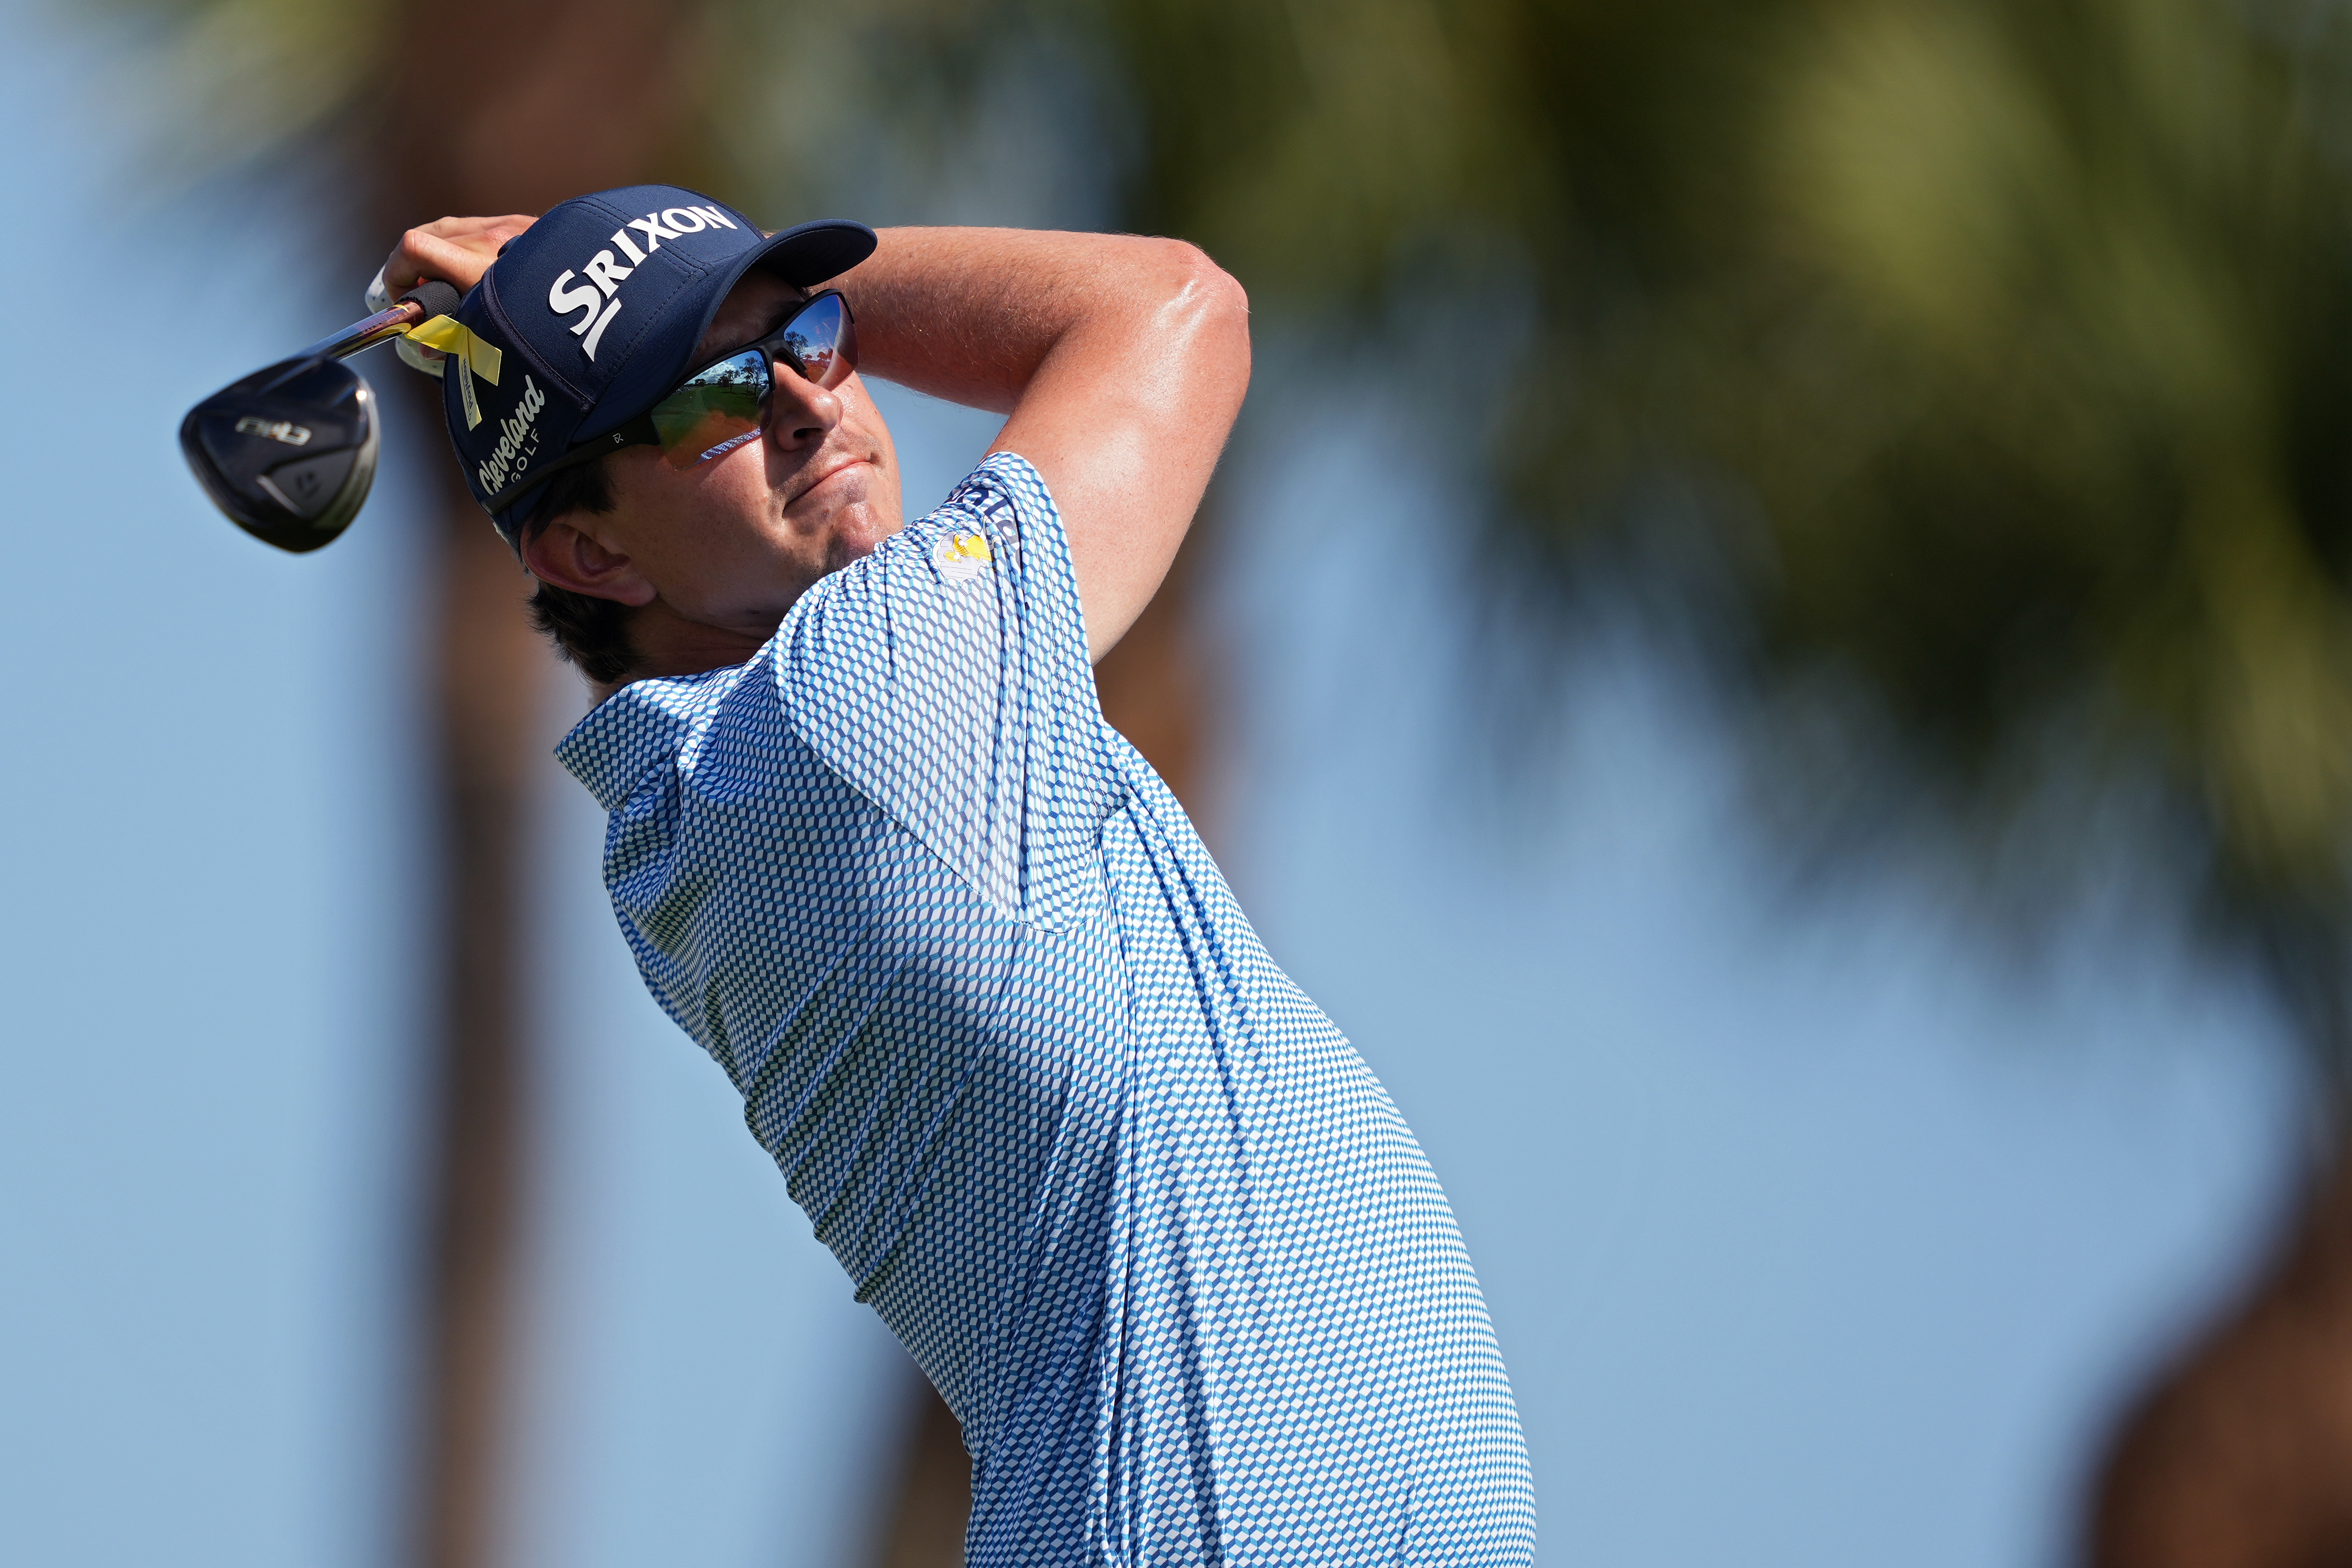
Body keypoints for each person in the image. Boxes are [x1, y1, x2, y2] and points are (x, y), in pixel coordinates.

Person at [380, 183, 1535, 1566]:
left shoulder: (694, 810)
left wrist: (667, 291)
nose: (807, 399)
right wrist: (747, 270)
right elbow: (1176, 308)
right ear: (590, 552)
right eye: (713, 399)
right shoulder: (848, 702)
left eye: (809, 336)